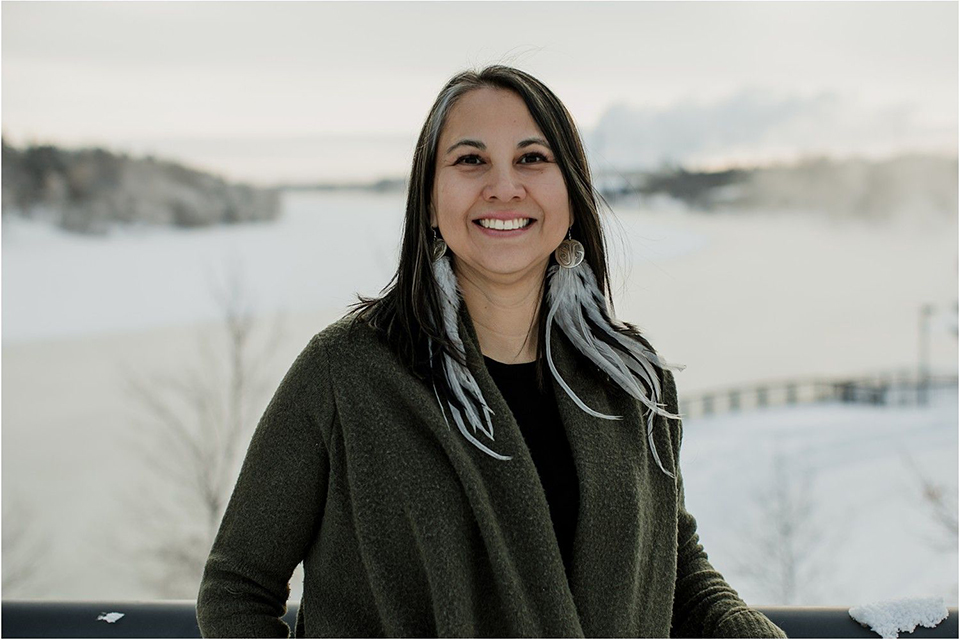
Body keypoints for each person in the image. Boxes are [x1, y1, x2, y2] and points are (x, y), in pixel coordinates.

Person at [196, 65, 787, 638]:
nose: (504, 186)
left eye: (532, 158)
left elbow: (670, 561)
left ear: (572, 195)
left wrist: (743, 630)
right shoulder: (346, 375)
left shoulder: (630, 379)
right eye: (470, 160)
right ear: (430, 199)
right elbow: (237, 591)